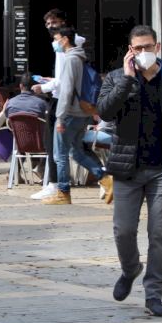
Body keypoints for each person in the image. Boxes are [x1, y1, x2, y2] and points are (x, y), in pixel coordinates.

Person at [96, 25, 162, 318]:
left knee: (158, 233)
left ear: (158, 47)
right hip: (126, 170)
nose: (143, 52)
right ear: (130, 51)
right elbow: (104, 112)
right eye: (137, 48)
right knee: (123, 230)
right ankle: (130, 269)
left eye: (148, 47)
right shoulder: (116, 78)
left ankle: (154, 293)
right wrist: (127, 80)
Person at [47, 27, 110, 204]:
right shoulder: (81, 58)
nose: (55, 43)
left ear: (65, 39)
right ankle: (105, 178)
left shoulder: (70, 59)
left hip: (70, 114)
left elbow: (66, 90)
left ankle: (63, 192)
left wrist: (60, 117)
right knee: (76, 151)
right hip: (83, 112)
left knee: (60, 155)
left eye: (57, 39)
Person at [30, 9, 70, 201]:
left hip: (60, 101)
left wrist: (44, 87)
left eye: (53, 22)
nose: (50, 27)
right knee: (75, 147)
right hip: (66, 99)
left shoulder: (63, 47)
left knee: (54, 145)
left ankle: (56, 185)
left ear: (63, 22)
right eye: (47, 23)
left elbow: (63, 80)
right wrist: (51, 81)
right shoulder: (72, 47)